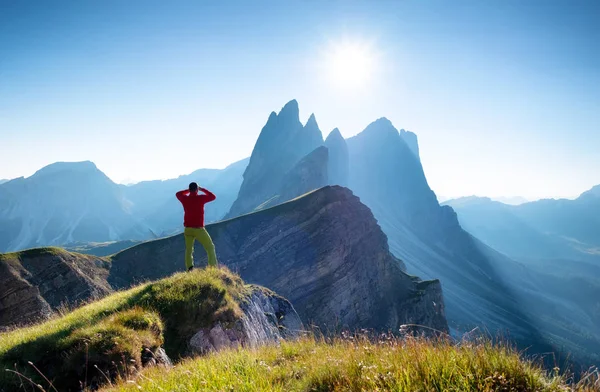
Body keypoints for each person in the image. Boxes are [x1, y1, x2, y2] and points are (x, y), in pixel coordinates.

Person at [176, 182, 218, 271]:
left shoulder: (184, 199)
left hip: (188, 229)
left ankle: (189, 268)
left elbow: (178, 194)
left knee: (189, 250)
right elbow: (213, 196)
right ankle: (213, 268)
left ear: (190, 189)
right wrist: (202, 189)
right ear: (197, 189)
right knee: (210, 247)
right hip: (199, 229)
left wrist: (188, 190)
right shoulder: (200, 198)